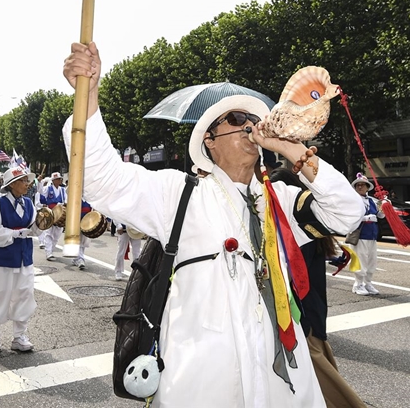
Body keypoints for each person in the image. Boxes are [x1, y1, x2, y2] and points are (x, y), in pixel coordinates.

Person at [62, 42, 365, 407]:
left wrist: (289, 147)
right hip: (201, 377)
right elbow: (103, 179)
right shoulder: (181, 193)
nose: (251, 126)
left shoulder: (280, 199)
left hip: (280, 379)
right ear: (210, 141)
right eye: (237, 120)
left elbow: (347, 212)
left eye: (254, 121)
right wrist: (90, 93)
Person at [270, 167, 366, 407]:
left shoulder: (295, 229)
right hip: (312, 311)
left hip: (303, 318)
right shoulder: (308, 225)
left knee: (324, 387)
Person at [0, 166, 38, 353]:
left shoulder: (29, 203)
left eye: (26, 180)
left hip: (24, 257)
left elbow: (35, 228)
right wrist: (15, 233)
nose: (27, 184)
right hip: (2, 258)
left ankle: (19, 336)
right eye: (23, 181)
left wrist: (47, 222)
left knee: (25, 294)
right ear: (12, 184)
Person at [350, 173, 385, 296]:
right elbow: (350, 217)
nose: (360, 187)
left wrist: (384, 209)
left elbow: (379, 215)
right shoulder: (353, 200)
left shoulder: (371, 201)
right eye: (358, 185)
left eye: (362, 185)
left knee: (371, 261)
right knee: (361, 260)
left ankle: (368, 283)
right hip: (360, 235)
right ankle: (358, 284)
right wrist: (365, 218)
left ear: (367, 187)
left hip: (372, 235)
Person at [39, 172, 66, 261]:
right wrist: (40, 182)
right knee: (48, 234)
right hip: (50, 213)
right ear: (53, 181)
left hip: (59, 214)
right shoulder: (48, 188)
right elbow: (41, 192)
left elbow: (66, 201)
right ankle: (48, 253)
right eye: (56, 179)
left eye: (59, 179)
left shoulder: (63, 190)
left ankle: (51, 250)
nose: (58, 181)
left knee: (57, 235)